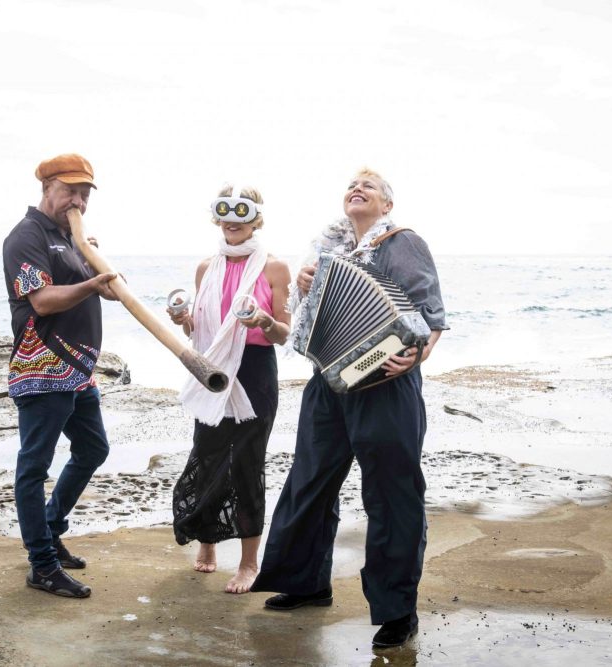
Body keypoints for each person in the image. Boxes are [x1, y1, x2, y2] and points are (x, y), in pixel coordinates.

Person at [250, 169, 447, 648]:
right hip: (329, 381)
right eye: (352, 185)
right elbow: (305, 323)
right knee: (309, 480)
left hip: (386, 382)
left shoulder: (404, 244)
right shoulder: (327, 251)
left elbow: (432, 318)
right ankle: (306, 583)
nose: (358, 189)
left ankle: (397, 610)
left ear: (386, 205)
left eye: (370, 186)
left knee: (391, 492)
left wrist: (415, 356)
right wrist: (302, 284)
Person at [1, 153, 118, 599]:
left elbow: (90, 290)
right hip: (42, 366)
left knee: (93, 448)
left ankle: (51, 530)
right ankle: (42, 565)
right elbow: (44, 301)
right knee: (34, 466)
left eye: (85, 193)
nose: (78, 201)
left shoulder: (70, 237)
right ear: (46, 188)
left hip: (78, 369)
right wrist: (92, 283)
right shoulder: (25, 237)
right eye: (70, 190)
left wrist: (94, 273)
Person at [168, 184, 291, 594]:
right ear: (216, 217)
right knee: (207, 454)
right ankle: (208, 544)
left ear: (255, 218)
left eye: (242, 214)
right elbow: (199, 329)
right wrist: (182, 317)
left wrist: (262, 323)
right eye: (225, 213)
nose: (232, 221)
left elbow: (283, 333)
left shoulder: (274, 268)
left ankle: (249, 563)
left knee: (247, 464)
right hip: (212, 369)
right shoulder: (206, 268)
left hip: (254, 372)